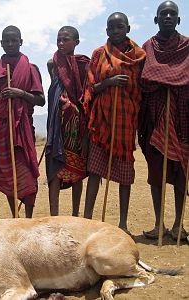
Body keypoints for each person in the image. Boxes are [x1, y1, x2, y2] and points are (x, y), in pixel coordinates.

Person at [83, 12, 146, 234]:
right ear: (106, 30)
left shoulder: (139, 55)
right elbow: (90, 87)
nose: (115, 30)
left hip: (126, 121)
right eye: (111, 27)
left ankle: (123, 223)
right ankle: (87, 220)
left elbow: (142, 88)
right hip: (102, 122)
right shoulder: (99, 54)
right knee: (95, 171)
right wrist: (108, 82)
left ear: (128, 28)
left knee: (125, 175)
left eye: (120, 27)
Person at [138, 1, 189, 241]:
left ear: (178, 20)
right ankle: (159, 224)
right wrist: (171, 79)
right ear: (156, 19)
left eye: (172, 14)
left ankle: (179, 225)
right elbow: (144, 80)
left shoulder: (188, 47)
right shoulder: (148, 47)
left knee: (181, 173)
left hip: (182, 121)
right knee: (156, 173)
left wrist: (170, 81)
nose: (168, 16)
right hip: (155, 118)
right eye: (163, 14)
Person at [0, 25, 45, 218]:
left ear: (21, 42)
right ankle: (15, 217)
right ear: (1, 43)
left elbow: (40, 100)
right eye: (7, 41)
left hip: (23, 129)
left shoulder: (30, 68)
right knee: (7, 175)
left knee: (27, 173)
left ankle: (28, 218)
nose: (11, 44)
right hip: (3, 129)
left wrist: (20, 93)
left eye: (15, 40)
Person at [45, 26, 90, 216]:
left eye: (66, 39)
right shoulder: (52, 64)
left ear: (76, 42)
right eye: (58, 40)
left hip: (77, 127)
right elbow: (55, 92)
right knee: (55, 168)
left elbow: (87, 96)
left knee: (77, 170)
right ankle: (54, 214)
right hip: (57, 126)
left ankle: (75, 214)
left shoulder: (84, 64)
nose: (61, 43)